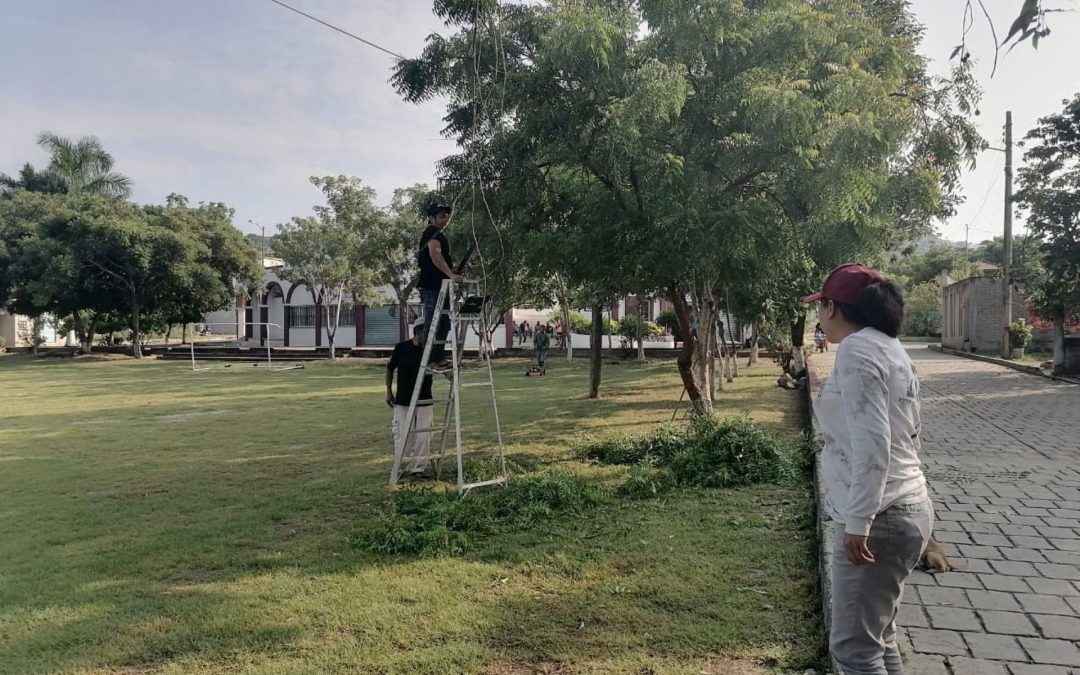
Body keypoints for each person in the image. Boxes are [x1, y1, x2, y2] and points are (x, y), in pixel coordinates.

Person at [803, 263, 932, 675]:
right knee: (880, 638)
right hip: (906, 506)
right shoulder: (890, 347)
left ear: (833, 307)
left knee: (854, 652)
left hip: (880, 517)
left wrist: (858, 522)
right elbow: (907, 436)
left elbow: (874, 445)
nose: (819, 318)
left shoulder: (857, 350)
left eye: (820, 307)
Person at [386, 321, 436, 477]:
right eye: (425, 332)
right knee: (402, 436)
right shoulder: (401, 348)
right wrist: (389, 391)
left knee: (423, 436)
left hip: (424, 399)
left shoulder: (431, 350)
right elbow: (390, 368)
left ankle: (419, 468)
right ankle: (400, 467)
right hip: (403, 400)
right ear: (418, 331)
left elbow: (441, 366)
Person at [417, 203, 463, 372]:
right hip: (432, 287)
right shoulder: (431, 233)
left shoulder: (438, 234)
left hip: (441, 286)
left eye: (446, 216)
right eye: (442, 216)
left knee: (445, 324)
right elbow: (435, 254)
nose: (445, 220)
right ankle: (428, 358)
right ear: (431, 218)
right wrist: (450, 275)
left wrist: (450, 273)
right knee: (433, 323)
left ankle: (438, 357)